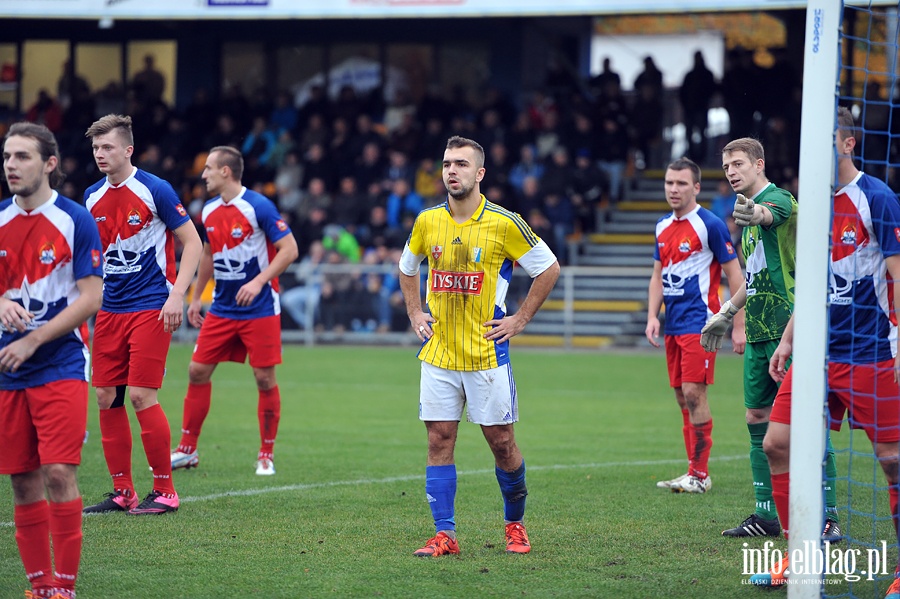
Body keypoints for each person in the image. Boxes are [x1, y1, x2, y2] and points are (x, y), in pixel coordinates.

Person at [747, 107, 900, 592]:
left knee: (892, 458)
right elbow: (815, 282)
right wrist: (790, 338)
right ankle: (799, 557)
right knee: (776, 444)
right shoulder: (812, 204)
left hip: (872, 353)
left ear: (848, 144)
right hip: (816, 353)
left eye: (826, 140)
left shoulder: (878, 198)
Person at [398, 136, 560, 557]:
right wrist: (416, 313)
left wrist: (520, 319)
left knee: (502, 442)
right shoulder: (427, 220)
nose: (452, 170)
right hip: (438, 353)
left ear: (480, 173)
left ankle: (515, 525)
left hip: (487, 353)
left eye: (462, 164)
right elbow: (407, 266)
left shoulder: (506, 222)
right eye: (447, 163)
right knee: (439, 440)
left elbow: (548, 268)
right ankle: (444, 535)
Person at [701, 137, 841, 540]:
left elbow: (770, 214)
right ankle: (766, 516)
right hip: (761, 331)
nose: (731, 171)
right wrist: (727, 313)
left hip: (791, 328)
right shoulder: (741, 220)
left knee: (807, 422)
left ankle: (828, 515)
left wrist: (757, 212)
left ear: (758, 164)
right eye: (726, 166)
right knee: (755, 419)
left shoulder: (779, 200)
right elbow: (753, 276)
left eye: (739, 163)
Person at [0, 122, 103, 599]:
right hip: (9, 369)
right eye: (6, 157)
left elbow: (91, 297)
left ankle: (65, 586)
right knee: (21, 480)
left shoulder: (75, 219)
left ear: (49, 163)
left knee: (58, 471)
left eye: (22, 157)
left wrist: (33, 340)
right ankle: (39, 586)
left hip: (60, 360)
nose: (10, 166)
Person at [81, 114, 202, 515]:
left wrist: (177, 296)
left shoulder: (156, 189)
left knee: (139, 394)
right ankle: (122, 492)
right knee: (104, 395)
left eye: (108, 147)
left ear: (128, 149)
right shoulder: (91, 196)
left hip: (152, 303)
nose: (100, 154)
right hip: (110, 309)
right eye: (96, 148)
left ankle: (166, 491)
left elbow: (193, 243)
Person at [170, 146, 299, 475]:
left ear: (226, 171)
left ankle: (266, 454)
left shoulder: (258, 206)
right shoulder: (209, 210)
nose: (203, 175)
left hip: (259, 308)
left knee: (263, 377)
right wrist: (197, 297)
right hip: (223, 308)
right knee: (197, 371)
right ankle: (187, 449)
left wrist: (258, 282)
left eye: (209, 168)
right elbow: (208, 255)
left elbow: (289, 250)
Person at [646, 157, 745, 494]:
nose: (674, 189)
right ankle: (694, 472)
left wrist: (737, 324)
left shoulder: (710, 224)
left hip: (702, 323)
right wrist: (651, 316)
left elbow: (735, 274)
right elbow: (657, 275)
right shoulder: (661, 226)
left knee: (693, 392)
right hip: (673, 324)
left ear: (696, 187)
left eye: (682, 184)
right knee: (681, 397)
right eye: (670, 183)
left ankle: (700, 476)